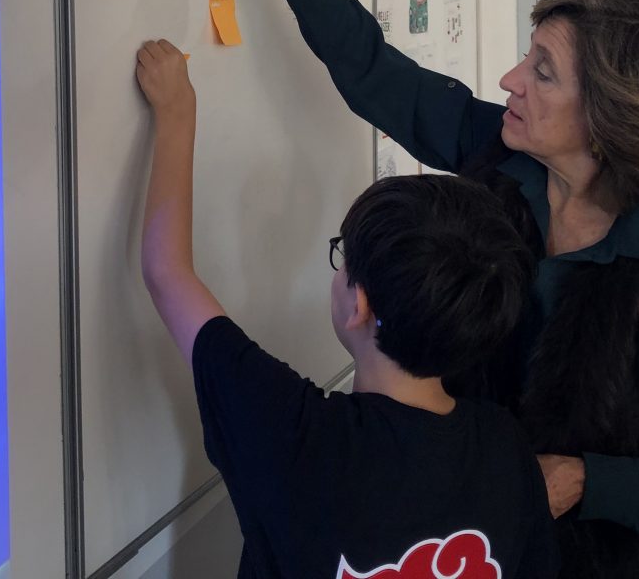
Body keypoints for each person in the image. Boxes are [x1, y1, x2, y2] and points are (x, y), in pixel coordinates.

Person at [181, 0, 639, 579]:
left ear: (611, 118)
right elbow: (372, 68)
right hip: (466, 545)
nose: (509, 80)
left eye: (542, 72)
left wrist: (589, 479)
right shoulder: (502, 157)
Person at [135, 37, 558, 579]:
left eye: (343, 257)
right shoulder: (503, 449)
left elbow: (167, 273)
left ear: (359, 303)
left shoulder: (297, 436)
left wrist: (176, 114)